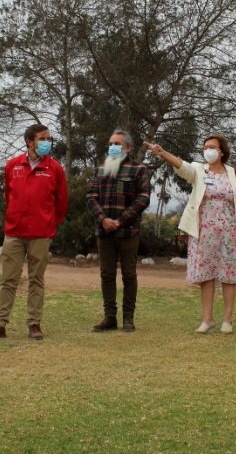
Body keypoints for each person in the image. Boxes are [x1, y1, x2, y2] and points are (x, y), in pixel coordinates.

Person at [146, 135, 236, 334]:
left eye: (212, 147)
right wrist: (162, 153)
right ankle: (207, 320)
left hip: (230, 233)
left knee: (229, 275)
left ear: (222, 151)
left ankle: (227, 320)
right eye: (205, 147)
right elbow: (181, 165)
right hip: (203, 231)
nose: (208, 150)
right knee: (207, 275)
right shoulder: (198, 169)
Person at [0, 124, 68, 341]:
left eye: (49, 138)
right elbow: (8, 195)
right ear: (30, 141)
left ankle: (34, 324)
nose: (47, 142)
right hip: (14, 232)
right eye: (42, 138)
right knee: (8, 280)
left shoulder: (55, 168)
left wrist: (50, 225)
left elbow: (61, 204)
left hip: (41, 234)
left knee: (36, 280)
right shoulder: (13, 165)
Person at [86, 130, 151, 332]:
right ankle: (109, 317)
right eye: (111, 143)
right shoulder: (100, 170)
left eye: (117, 143)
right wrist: (103, 219)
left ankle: (128, 318)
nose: (113, 146)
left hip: (128, 232)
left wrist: (120, 221)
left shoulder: (139, 169)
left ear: (128, 148)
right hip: (104, 232)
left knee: (129, 275)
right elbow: (90, 197)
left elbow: (143, 198)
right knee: (106, 274)